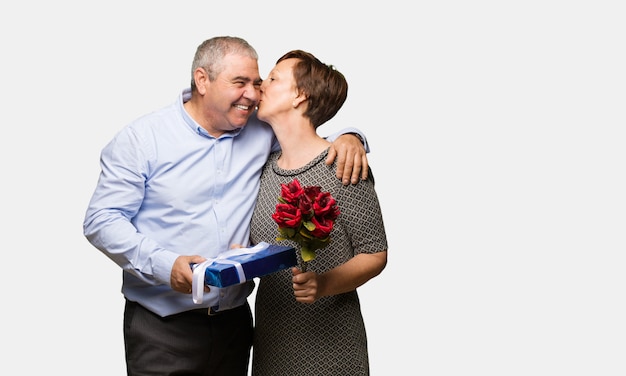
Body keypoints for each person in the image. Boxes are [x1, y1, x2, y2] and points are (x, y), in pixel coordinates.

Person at [83, 37, 370, 376]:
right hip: (162, 330)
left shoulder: (261, 132)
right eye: (240, 83)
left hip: (236, 325)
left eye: (258, 82)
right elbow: (101, 219)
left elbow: (307, 137)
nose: (253, 93)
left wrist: (352, 137)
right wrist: (165, 264)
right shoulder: (142, 139)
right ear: (202, 80)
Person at [249, 50, 388, 375]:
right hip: (272, 343)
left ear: (300, 95)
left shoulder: (344, 166)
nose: (261, 84)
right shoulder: (265, 170)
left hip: (332, 348)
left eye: (273, 78)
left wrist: (324, 284)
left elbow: (375, 253)